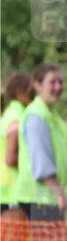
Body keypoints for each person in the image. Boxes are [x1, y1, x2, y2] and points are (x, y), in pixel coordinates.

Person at [15, 63, 67, 221]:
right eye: (52, 82)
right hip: (41, 198)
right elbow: (42, 162)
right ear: (37, 85)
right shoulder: (36, 116)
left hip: (48, 198)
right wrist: (59, 192)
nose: (58, 86)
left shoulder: (52, 116)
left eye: (60, 81)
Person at [0, 72, 34, 219]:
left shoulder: (9, 114)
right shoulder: (16, 117)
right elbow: (11, 158)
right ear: (20, 93)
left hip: (7, 189)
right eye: (31, 91)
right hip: (11, 191)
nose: (35, 95)